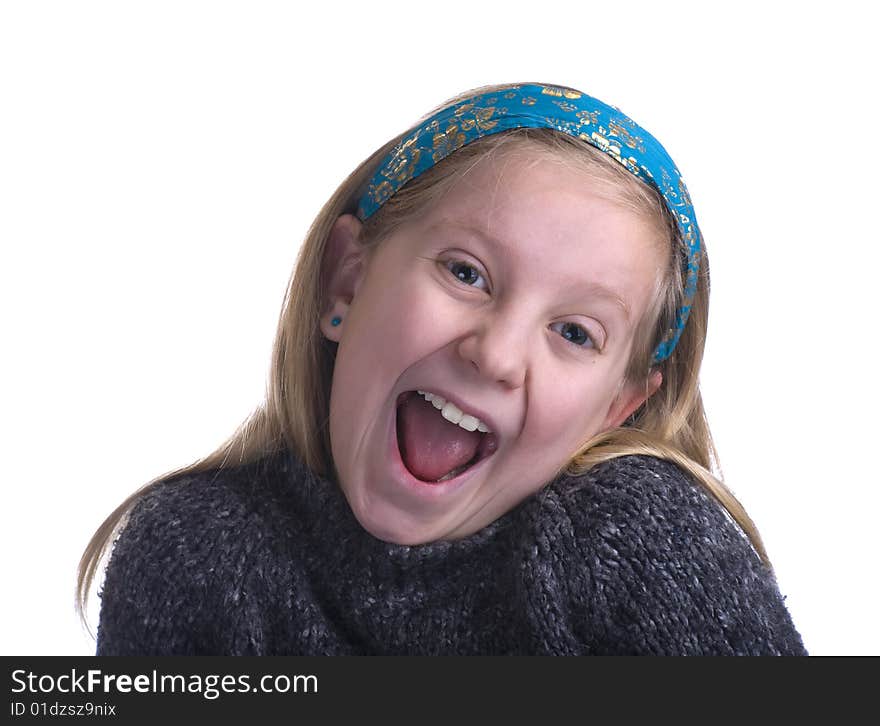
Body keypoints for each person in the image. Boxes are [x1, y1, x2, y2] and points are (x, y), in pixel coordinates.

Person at [77, 81, 808, 655]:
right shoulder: (200, 552)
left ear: (615, 410)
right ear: (346, 283)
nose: (495, 354)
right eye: (466, 273)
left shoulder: (641, 543)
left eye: (576, 333)